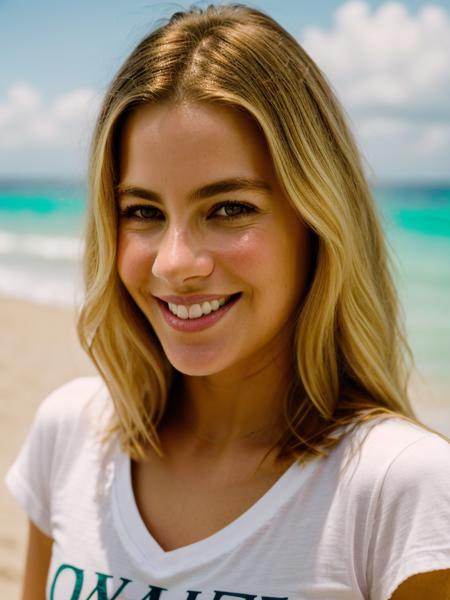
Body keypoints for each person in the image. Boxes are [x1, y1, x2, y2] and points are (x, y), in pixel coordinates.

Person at [5, 3, 450, 599]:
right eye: (143, 212)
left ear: (317, 221)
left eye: (229, 208)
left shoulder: (402, 491)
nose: (174, 262)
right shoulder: (71, 436)